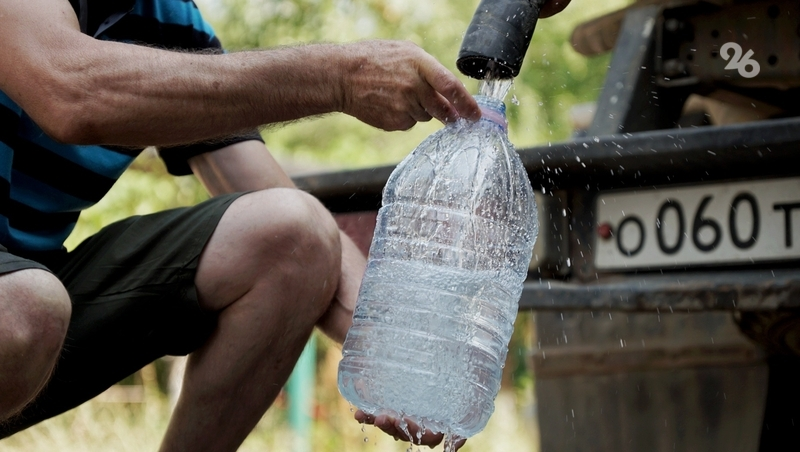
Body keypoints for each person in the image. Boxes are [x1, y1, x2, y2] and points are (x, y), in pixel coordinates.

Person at [0, 0, 570, 449]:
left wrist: (399, 354)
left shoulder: (166, 20)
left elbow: (275, 209)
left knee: (294, 232)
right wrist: (339, 77)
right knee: (25, 309)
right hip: (20, 309)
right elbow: (69, 90)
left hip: (34, 316)